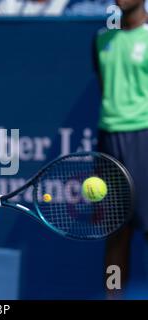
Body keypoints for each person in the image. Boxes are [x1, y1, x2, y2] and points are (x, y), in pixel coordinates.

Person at [93, 0, 148, 299]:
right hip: (110, 141)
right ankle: (113, 296)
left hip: (145, 138)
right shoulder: (101, 40)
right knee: (116, 231)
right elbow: (105, 86)